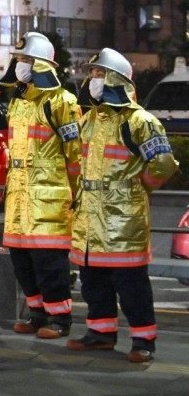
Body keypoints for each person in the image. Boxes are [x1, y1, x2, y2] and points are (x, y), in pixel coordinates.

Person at [67, 48, 178, 362]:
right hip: (90, 220)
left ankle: (144, 341)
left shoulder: (140, 121)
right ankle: (100, 334)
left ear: (115, 78)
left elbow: (164, 165)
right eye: (92, 74)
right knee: (94, 282)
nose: (93, 80)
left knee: (131, 285)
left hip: (122, 220)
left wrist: (138, 188)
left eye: (99, 74)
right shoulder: (90, 119)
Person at [0, 32, 82, 338]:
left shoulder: (63, 101)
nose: (20, 65)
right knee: (22, 261)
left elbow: (75, 153)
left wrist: (77, 193)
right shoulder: (18, 101)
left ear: (42, 65)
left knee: (49, 262)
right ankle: (37, 315)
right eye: (18, 60)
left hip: (49, 192)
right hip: (19, 194)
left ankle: (60, 319)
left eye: (25, 60)